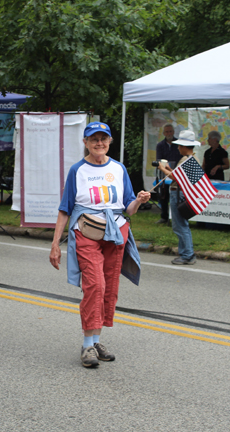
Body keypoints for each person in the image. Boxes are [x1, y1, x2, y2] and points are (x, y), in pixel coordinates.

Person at [49, 122, 150, 369]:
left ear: (109, 141)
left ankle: (96, 341)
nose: (99, 143)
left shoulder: (118, 168)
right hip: (86, 232)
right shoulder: (77, 170)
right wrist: (55, 244)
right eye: (93, 139)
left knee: (109, 288)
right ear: (85, 142)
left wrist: (138, 201)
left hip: (116, 234)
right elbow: (65, 209)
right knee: (95, 284)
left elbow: (128, 208)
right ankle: (86, 345)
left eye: (103, 139)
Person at [158, 130, 201, 265]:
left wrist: (162, 168)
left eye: (179, 145)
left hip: (179, 193)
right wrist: (170, 169)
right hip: (183, 193)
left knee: (180, 225)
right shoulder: (193, 158)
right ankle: (186, 253)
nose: (178, 148)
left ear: (183, 146)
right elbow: (179, 174)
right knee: (182, 225)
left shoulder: (186, 159)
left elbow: (175, 177)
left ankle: (187, 254)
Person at [155, 124, 182, 223]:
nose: (169, 133)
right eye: (167, 132)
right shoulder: (160, 145)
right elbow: (159, 159)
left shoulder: (178, 144)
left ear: (173, 132)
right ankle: (164, 216)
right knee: (164, 195)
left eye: (170, 131)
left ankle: (175, 217)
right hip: (165, 173)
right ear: (163, 133)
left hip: (177, 173)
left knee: (176, 195)